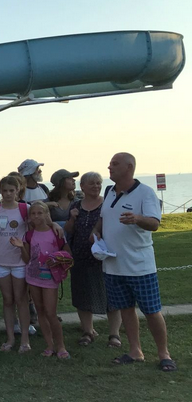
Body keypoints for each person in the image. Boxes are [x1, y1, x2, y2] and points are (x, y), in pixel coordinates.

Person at [95, 152, 175, 371]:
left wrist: (137, 218)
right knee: (125, 309)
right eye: (110, 163)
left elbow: (154, 223)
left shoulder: (145, 193)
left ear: (129, 167)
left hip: (140, 266)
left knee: (151, 310)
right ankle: (135, 351)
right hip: (113, 265)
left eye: (114, 164)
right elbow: (103, 218)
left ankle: (164, 354)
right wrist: (96, 233)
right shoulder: (109, 191)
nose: (109, 167)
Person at [64, 172, 122, 348]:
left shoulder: (108, 204)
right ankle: (87, 331)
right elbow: (69, 230)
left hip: (104, 257)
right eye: (91, 183)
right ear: (82, 186)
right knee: (82, 295)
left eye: (98, 183)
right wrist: (72, 217)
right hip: (80, 256)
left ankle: (114, 334)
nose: (96, 186)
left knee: (111, 296)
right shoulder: (76, 205)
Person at [11, 202, 71, 359]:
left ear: (46, 214)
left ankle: (61, 346)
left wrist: (59, 259)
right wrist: (21, 247)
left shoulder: (56, 232)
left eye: (40, 213)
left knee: (51, 313)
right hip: (33, 277)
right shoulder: (29, 235)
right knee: (40, 312)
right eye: (33, 213)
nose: (36, 216)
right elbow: (27, 259)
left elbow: (68, 254)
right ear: (29, 217)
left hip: (50, 278)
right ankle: (49, 345)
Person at [0, 177, 32, 353]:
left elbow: (39, 223)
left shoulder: (25, 209)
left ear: (17, 191)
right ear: (0, 191)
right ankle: (10, 338)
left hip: (19, 260)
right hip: (1, 259)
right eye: (5, 190)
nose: (8, 194)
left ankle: (25, 338)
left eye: (11, 190)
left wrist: (54, 225)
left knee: (21, 299)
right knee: (7, 300)